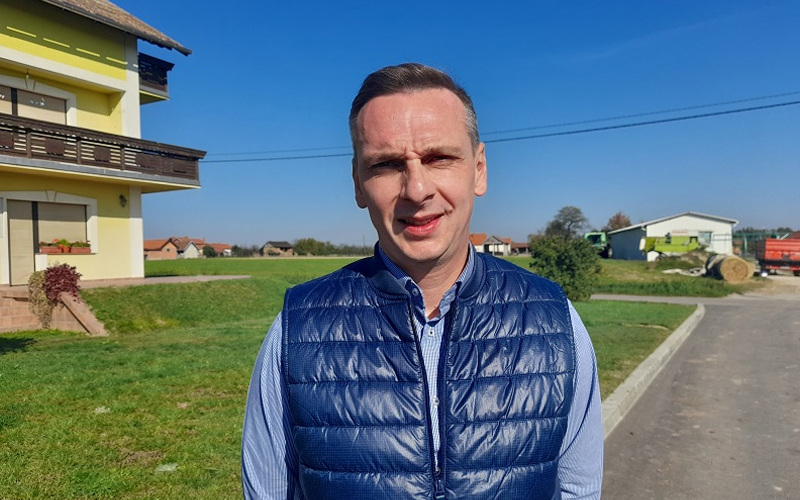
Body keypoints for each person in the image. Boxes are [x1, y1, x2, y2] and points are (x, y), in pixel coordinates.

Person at [242, 62, 603, 500]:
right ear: (358, 184)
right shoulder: (296, 332)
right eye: (386, 164)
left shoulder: (555, 321)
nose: (416, 190)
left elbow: (579, 490)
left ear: (479, 169)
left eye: (439, 158)